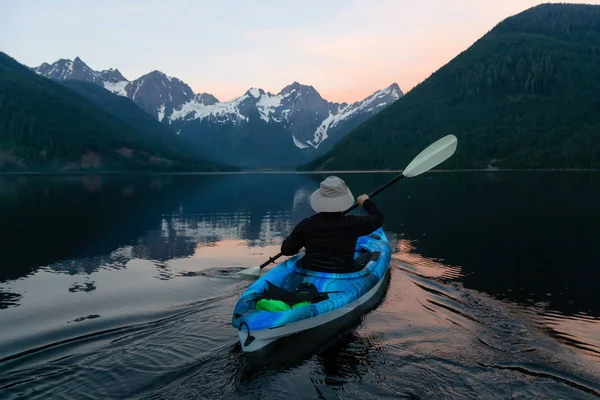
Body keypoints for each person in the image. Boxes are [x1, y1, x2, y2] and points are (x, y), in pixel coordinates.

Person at [280, 176, 385, 272]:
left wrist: (298, 239)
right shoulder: (353, 223)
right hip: (343, 270)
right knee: (370, 254)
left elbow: (286, 250)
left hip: (310, 268)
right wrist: (366, 202)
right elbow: (378, 218)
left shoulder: (306, 225)